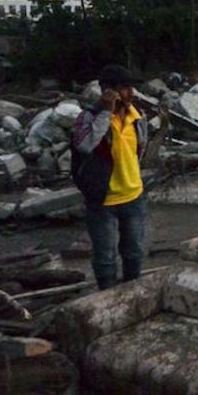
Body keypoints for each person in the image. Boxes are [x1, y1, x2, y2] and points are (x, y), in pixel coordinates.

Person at [71, 64, 149, 289]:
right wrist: (105, 111)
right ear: (107, 90)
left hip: (134, 196)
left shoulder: (137, 116)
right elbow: (85, 145)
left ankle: (132, 293)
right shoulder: (88, 117)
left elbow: (139, 150)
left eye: (130, 87)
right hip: (102, 201)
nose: (130, 93)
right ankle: (107, 297)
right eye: (124, 88)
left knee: (134, 252)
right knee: (105, 258)